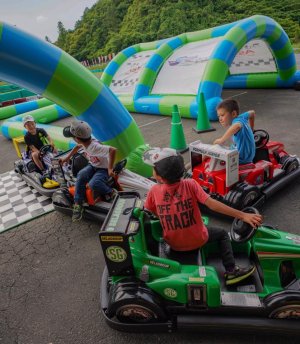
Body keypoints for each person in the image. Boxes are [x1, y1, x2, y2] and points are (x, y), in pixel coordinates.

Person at [143, 147, 263, 286]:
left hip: (173, 244)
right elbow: (212, 204)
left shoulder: (153, 191)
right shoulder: (191, 184)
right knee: (223, 233)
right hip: (198, 239)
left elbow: (151, 211)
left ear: (160, 176)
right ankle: (231, 271)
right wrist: (242, 215)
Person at [60, 120, 117, 222]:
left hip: (102, 169)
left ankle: (111, 192)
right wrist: (67, 157)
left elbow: (113, 150)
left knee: (93, 184)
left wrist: (110, 168)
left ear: (77, 139)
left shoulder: (94, 146)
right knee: (81, 174)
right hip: (93, 165)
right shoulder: (85, 142)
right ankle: (78, 203)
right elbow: (78, 146)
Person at [213, 99, 256, 164]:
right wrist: (252, 129)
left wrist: (221, 140)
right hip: (248, 155)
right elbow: (252, 113)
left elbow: (237, 126)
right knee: (217, 148)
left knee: (214, 146)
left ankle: (193, 169)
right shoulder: (242, 117)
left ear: (233, 114)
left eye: (222, 115)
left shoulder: (236, 122)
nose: (220, 119)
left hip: (241, 158)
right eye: (218, 116)